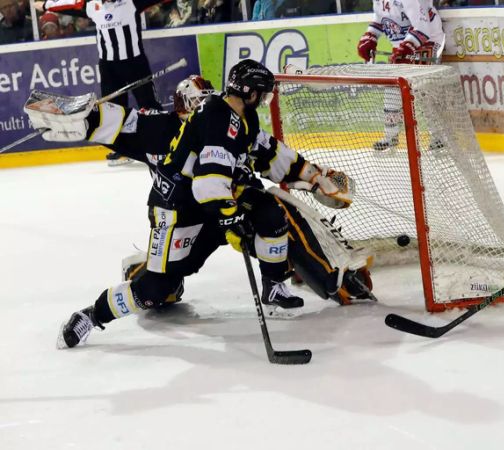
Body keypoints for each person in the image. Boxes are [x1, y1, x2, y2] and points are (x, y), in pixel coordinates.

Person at [43, 61, 364, 349]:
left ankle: (282, 283)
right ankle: (93, 314)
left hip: (220, 203)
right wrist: (77, 116)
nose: (199, 107)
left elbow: (270, 155)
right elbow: (119, 123)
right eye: (194, 103)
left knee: (273, 213)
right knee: (156, 289)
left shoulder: (241, 120)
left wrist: (315, 177)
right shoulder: (171, 125)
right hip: (179, 211)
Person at [36, 0, 167, 166]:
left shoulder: (131, 2)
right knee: (114, 109)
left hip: (135, 63)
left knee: (149, 105)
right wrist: (47, 4)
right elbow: (70, 5)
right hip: (109, 66)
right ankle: (123, 149)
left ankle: (162, 145)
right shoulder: (92, 5)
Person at [356, 0, 445, 150]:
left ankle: (439, 136)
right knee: (392, 88)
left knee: (423, 88)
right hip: (403, 43)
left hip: (427, 40)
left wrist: (408, 47)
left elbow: (422, 28)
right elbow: (379, 19)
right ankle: (390, 136)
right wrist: (370, 36)